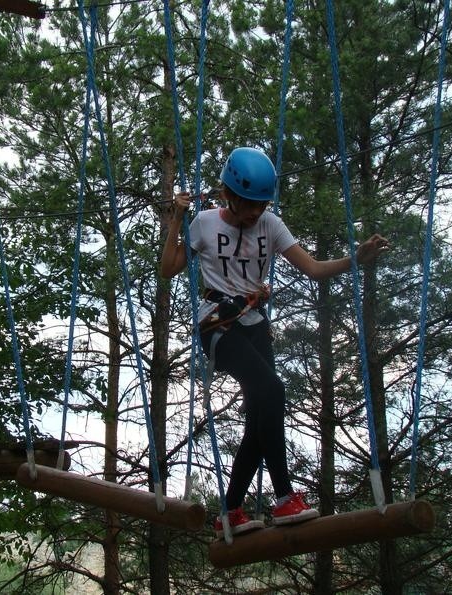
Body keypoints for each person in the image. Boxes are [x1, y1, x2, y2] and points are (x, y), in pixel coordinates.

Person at [160, 147, 389, 536]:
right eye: (249, 205)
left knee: (261, 416)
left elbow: (313, 268)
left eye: (261, 205)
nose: (255, 213)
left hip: (253, 323)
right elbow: (168, 269)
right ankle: (284, 497)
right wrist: (177, 219)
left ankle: (230, 511)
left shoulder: (270, 225)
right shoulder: (203, 223)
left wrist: (356, 258)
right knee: (273, 390)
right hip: (218, 323)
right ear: (229, 195)